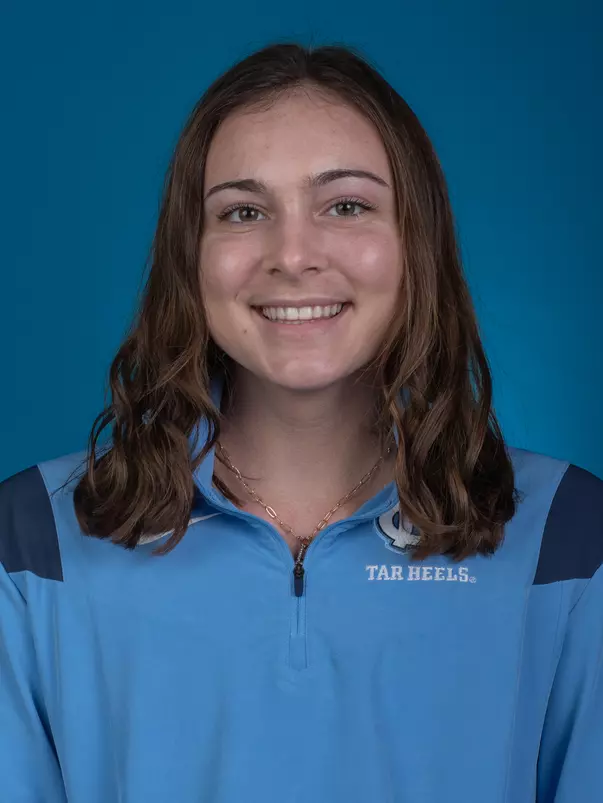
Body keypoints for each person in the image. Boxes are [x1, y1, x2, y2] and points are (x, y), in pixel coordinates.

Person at [0, 41, 601, 803]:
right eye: (243, 212)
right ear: (190, 254)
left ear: (415, 241)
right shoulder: (29, 544)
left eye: (344, 205)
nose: (292, 253)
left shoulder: (570, 539)